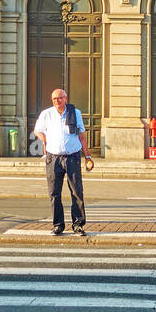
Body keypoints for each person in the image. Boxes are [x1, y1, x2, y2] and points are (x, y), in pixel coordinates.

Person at [33, 87, 93, 236]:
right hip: (54, 158)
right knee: (54, 193)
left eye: (60, 98)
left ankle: (78, 224)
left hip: (72, 156)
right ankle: (58, 225)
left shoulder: (75, 113)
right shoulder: (47, 114)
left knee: (77, 192)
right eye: (54, 99)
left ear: (66, 98)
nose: (57, 101)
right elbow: (37, 130)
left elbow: (82, 136)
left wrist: (88, 156)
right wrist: (45, 139)